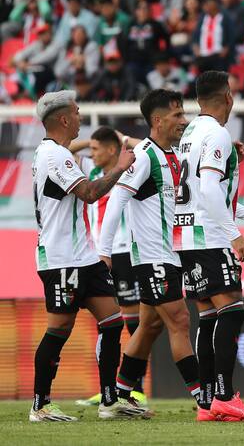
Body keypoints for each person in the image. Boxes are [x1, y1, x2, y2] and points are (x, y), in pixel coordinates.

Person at [30, 90, 144, 422]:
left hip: (84, 257)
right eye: (78, 113)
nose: (82, 117)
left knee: (112, 322)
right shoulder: (55, 156)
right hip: (62, 258)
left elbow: (73, 166)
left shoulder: (52, 152)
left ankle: (110, 401)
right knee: (60, 329)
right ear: (64, 119)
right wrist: (121, 167)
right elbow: (90, 193)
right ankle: (40, 404)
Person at [97, 90, 208, 417]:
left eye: (184, 114)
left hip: (168, 256)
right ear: (158, 121)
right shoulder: (144, 155)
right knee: (180, 320)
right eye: (177, 115)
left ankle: (117, 398)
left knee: (149, 327)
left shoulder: (169, 154)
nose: (184, 120)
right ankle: (205, 399)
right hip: (152, 258)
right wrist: (105, 252)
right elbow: (116, 200)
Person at [175, 71, 244, 421]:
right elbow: (207, 189)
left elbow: (212, 190)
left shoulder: (190, 133)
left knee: (207, 316)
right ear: (228, 96)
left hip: (188, 236)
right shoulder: (217, 134)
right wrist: (235, 234)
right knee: (233, 311)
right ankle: (224, 395)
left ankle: (206, 403)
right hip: (211, 237)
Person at [69, 127, 148, 407]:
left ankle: (134, 387)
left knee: (133, 321)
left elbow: (151, 146)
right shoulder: (92, 176)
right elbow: (64, 152)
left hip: (125, 251)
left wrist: (123, 138)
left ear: (112, 150)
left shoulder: (131, 168)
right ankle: (109, 388)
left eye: (96, 149)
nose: (91, 154)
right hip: (99, 254)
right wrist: (89, 141)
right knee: (108, 322)